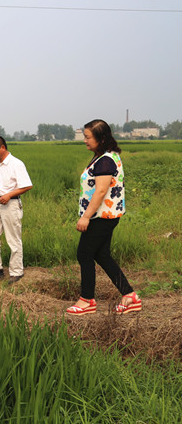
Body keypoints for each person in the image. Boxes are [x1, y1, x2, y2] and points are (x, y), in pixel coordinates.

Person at [66, 119, 141, 316]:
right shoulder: (103, 157)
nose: (84, 140)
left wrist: (86, 217)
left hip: (101, 216)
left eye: (88, 137)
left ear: (101, 138)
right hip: (104, 215)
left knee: (84, 253)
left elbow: (100, 191)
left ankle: (87, 300)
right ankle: (130, 296)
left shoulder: (105, 160)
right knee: (101, 255)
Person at [0, 136, 33, 284]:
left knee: (13, 238)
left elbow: (27, 185)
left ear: (2, 147)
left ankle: (16, 271)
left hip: (11, 204)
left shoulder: (16, 164)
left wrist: (9, 195)